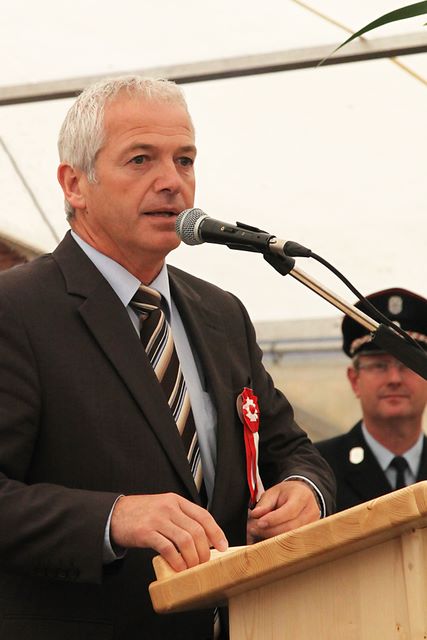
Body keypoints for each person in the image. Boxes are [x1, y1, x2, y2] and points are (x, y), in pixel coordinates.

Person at [0, 75, 335, 640]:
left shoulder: (221, 313)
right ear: (74, 184)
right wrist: (114, 517)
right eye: (141, 159)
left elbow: (293, 450)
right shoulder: (17, 310)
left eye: (185, 160)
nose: (172, 182)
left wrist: (306, 492)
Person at [316, 287, 427, 512]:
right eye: (379, 366)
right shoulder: (317, 470)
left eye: (408, 365)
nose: (394, 379)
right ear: (354, 379)